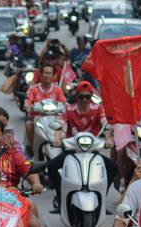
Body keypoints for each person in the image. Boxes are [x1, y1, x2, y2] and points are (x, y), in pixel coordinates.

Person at [46, 81, 114, 214]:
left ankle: (101, 200)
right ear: (76, 96)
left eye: (87, 97)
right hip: (72, 150)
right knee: (52, 166)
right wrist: (57, 138)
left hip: (92, 151)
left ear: (91, 97)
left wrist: (108, 139)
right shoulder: (68, 109)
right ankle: (61, 199)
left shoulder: (98, 108)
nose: (84, 100)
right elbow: (59, 124)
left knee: (113, 167)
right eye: (81, 96)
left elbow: (105, 124)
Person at [23, 62, 67, 151]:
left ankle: (62, 146)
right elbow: (28, 101)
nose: (47, 75)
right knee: (28, 125)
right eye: (45, 73)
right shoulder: (33, 89)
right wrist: (28, 106)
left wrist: (66, 106)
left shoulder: (57, 90)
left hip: (54, 118)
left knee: (65, 124)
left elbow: (63, 102)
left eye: (49, 73)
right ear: (41, 74)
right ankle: (32, 148)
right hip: (36, 117)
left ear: (54, 76)